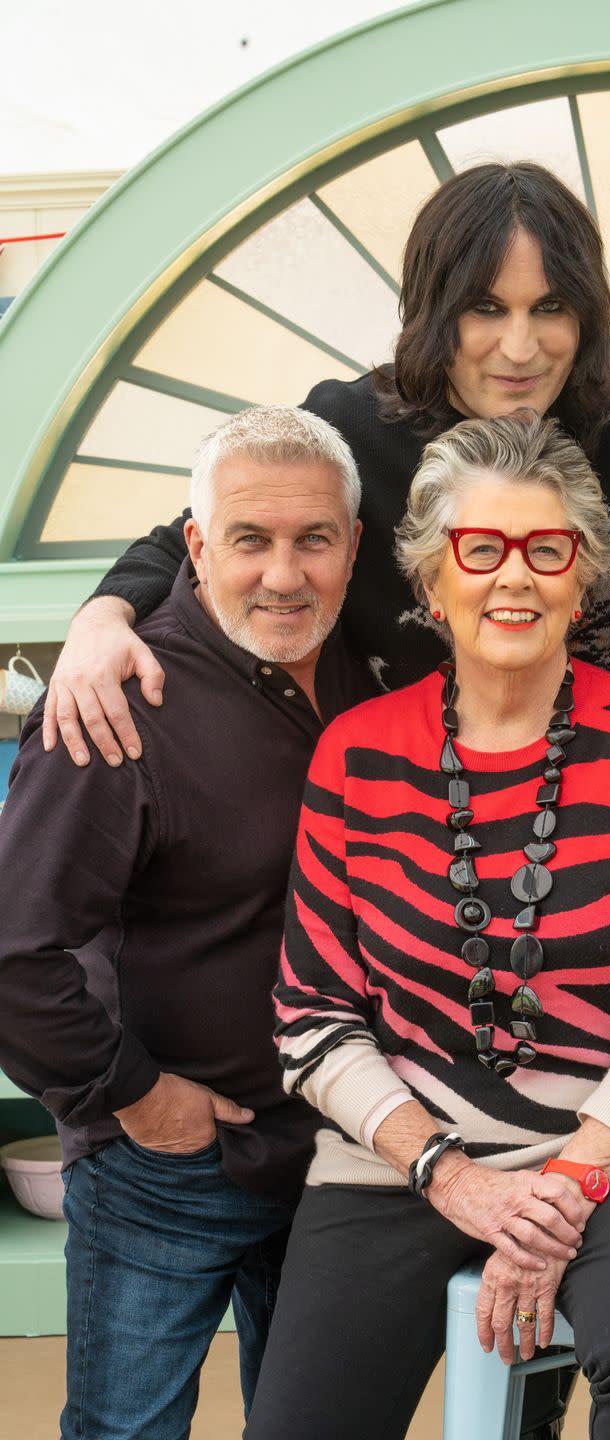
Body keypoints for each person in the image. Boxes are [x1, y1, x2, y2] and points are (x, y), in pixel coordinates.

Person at [40, 163, 610, 772]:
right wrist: (101, 616)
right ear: (434, 309)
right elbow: (198, 534)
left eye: (550, 307)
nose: (519, 348)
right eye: (485, 308)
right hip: (421, 800)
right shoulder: (352, 421)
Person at [243, 411, 610, 1440]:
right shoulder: (356, 753)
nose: (513, 577)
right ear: (434, 582)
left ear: (585, 577)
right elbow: (310, 1015)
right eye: (480, 550)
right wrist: (451, 1173)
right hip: (403, 1151)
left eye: (546, 549)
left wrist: (569, 1182)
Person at [0, 406, 373, 1440]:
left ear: (355, 545)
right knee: (129, 1433)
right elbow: (11, 954)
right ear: (198, 544)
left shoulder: (367, 678)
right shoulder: (117, 704)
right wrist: (133, 1095)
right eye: (251, 541)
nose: (284, 576)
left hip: (338, 1154)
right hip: (165, 1168)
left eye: (315, 540)